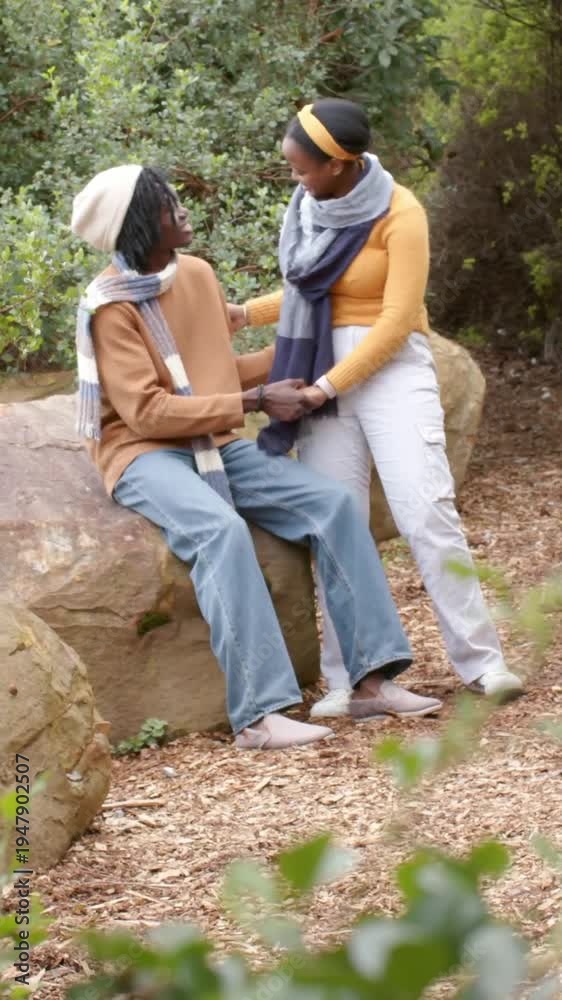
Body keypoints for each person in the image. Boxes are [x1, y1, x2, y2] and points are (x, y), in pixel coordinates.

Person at [70, 163, 443, 751]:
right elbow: (146, 412)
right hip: (142, 453)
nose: (181, 209)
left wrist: (299, 350)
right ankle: (260, 714)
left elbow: (218, 371)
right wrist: (252, 401)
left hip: (213, 441)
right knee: (219, 531)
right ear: (139, 222)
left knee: (333, 505)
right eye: (167, 205)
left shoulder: (195, 274)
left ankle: (371, 682)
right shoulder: (110, 307)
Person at [228, 98, 523, 719]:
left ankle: (482, 662)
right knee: (338, 522)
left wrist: (324, 388)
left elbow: (395, 319)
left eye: (302, 168)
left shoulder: (400, 211)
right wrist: (245, 314)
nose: (295, 178)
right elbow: (311, 289)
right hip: (320, 362)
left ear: (340, 164)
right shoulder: (309, 207)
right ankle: (350, 677)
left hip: (389, 372)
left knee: (427, 511)